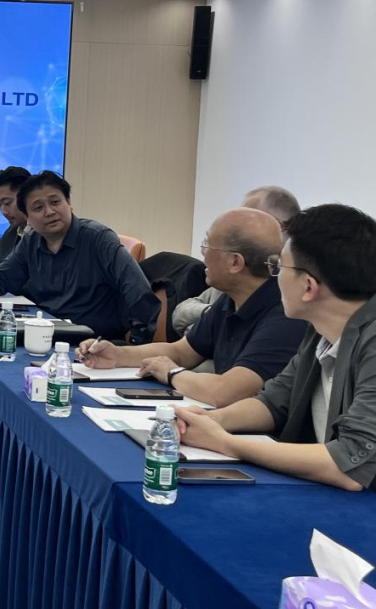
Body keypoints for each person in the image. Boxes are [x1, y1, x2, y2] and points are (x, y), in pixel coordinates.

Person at [175, 204, 376, 491]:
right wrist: (210, 420)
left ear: (308, 287)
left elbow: (350, 466)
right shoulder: (321, 331)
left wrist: (224, 442)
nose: (274, 277)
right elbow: (274, 401)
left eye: (279, 267)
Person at [79, 208, 308, 407]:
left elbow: (227, 392)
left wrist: (172, 373)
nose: (202, 253)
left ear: (235, 262)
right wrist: (117, 355)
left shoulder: (284, 316)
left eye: (207, 244)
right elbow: (182, 352)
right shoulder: (231, 299)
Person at [0, 171, 160, 343]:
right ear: (27, 217)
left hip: (93, 341)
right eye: (38, 208)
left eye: (55, 202)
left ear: (69, 203)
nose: (50, 212)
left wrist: (136, 343)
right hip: (46, 333)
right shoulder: (31, 241)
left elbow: (137, 289)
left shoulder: (98, 238)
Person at [173, 185, 301, 335]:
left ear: (277, 225)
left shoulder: (286, 285)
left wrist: (210, 324)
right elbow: (180, 313)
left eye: (247, 217)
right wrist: (212, 316)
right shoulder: (230, 275)